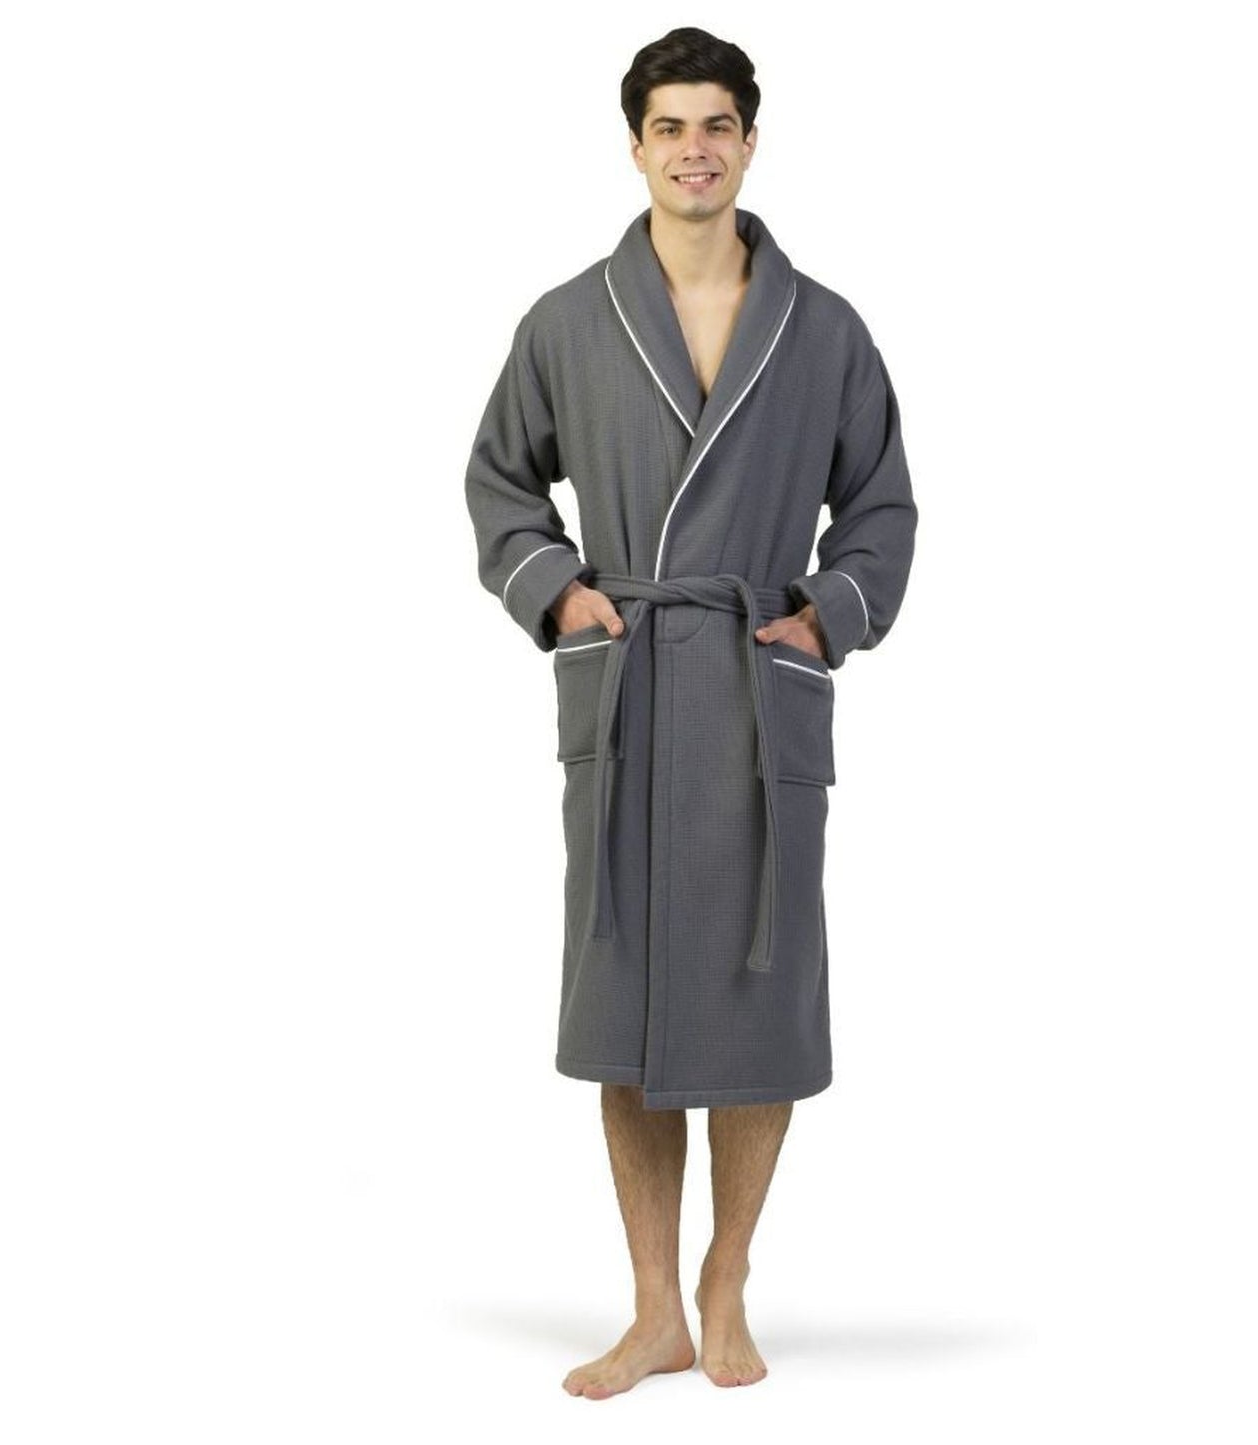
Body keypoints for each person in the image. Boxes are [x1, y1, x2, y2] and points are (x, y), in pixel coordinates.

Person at [463, 27, 917, 1397]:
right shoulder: (566, 320)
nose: (695, 148)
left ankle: (727, 1282)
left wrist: (825, 617)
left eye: (718, 124)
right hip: (631, 695)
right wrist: (562, 596)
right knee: (626, 997)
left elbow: (883, 507)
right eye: (670, 126)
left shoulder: (822, 328)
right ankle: (654, 1305)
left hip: (753, 696)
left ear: (750, 142)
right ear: (636, 146)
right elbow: (500, 483)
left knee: (757, 996)